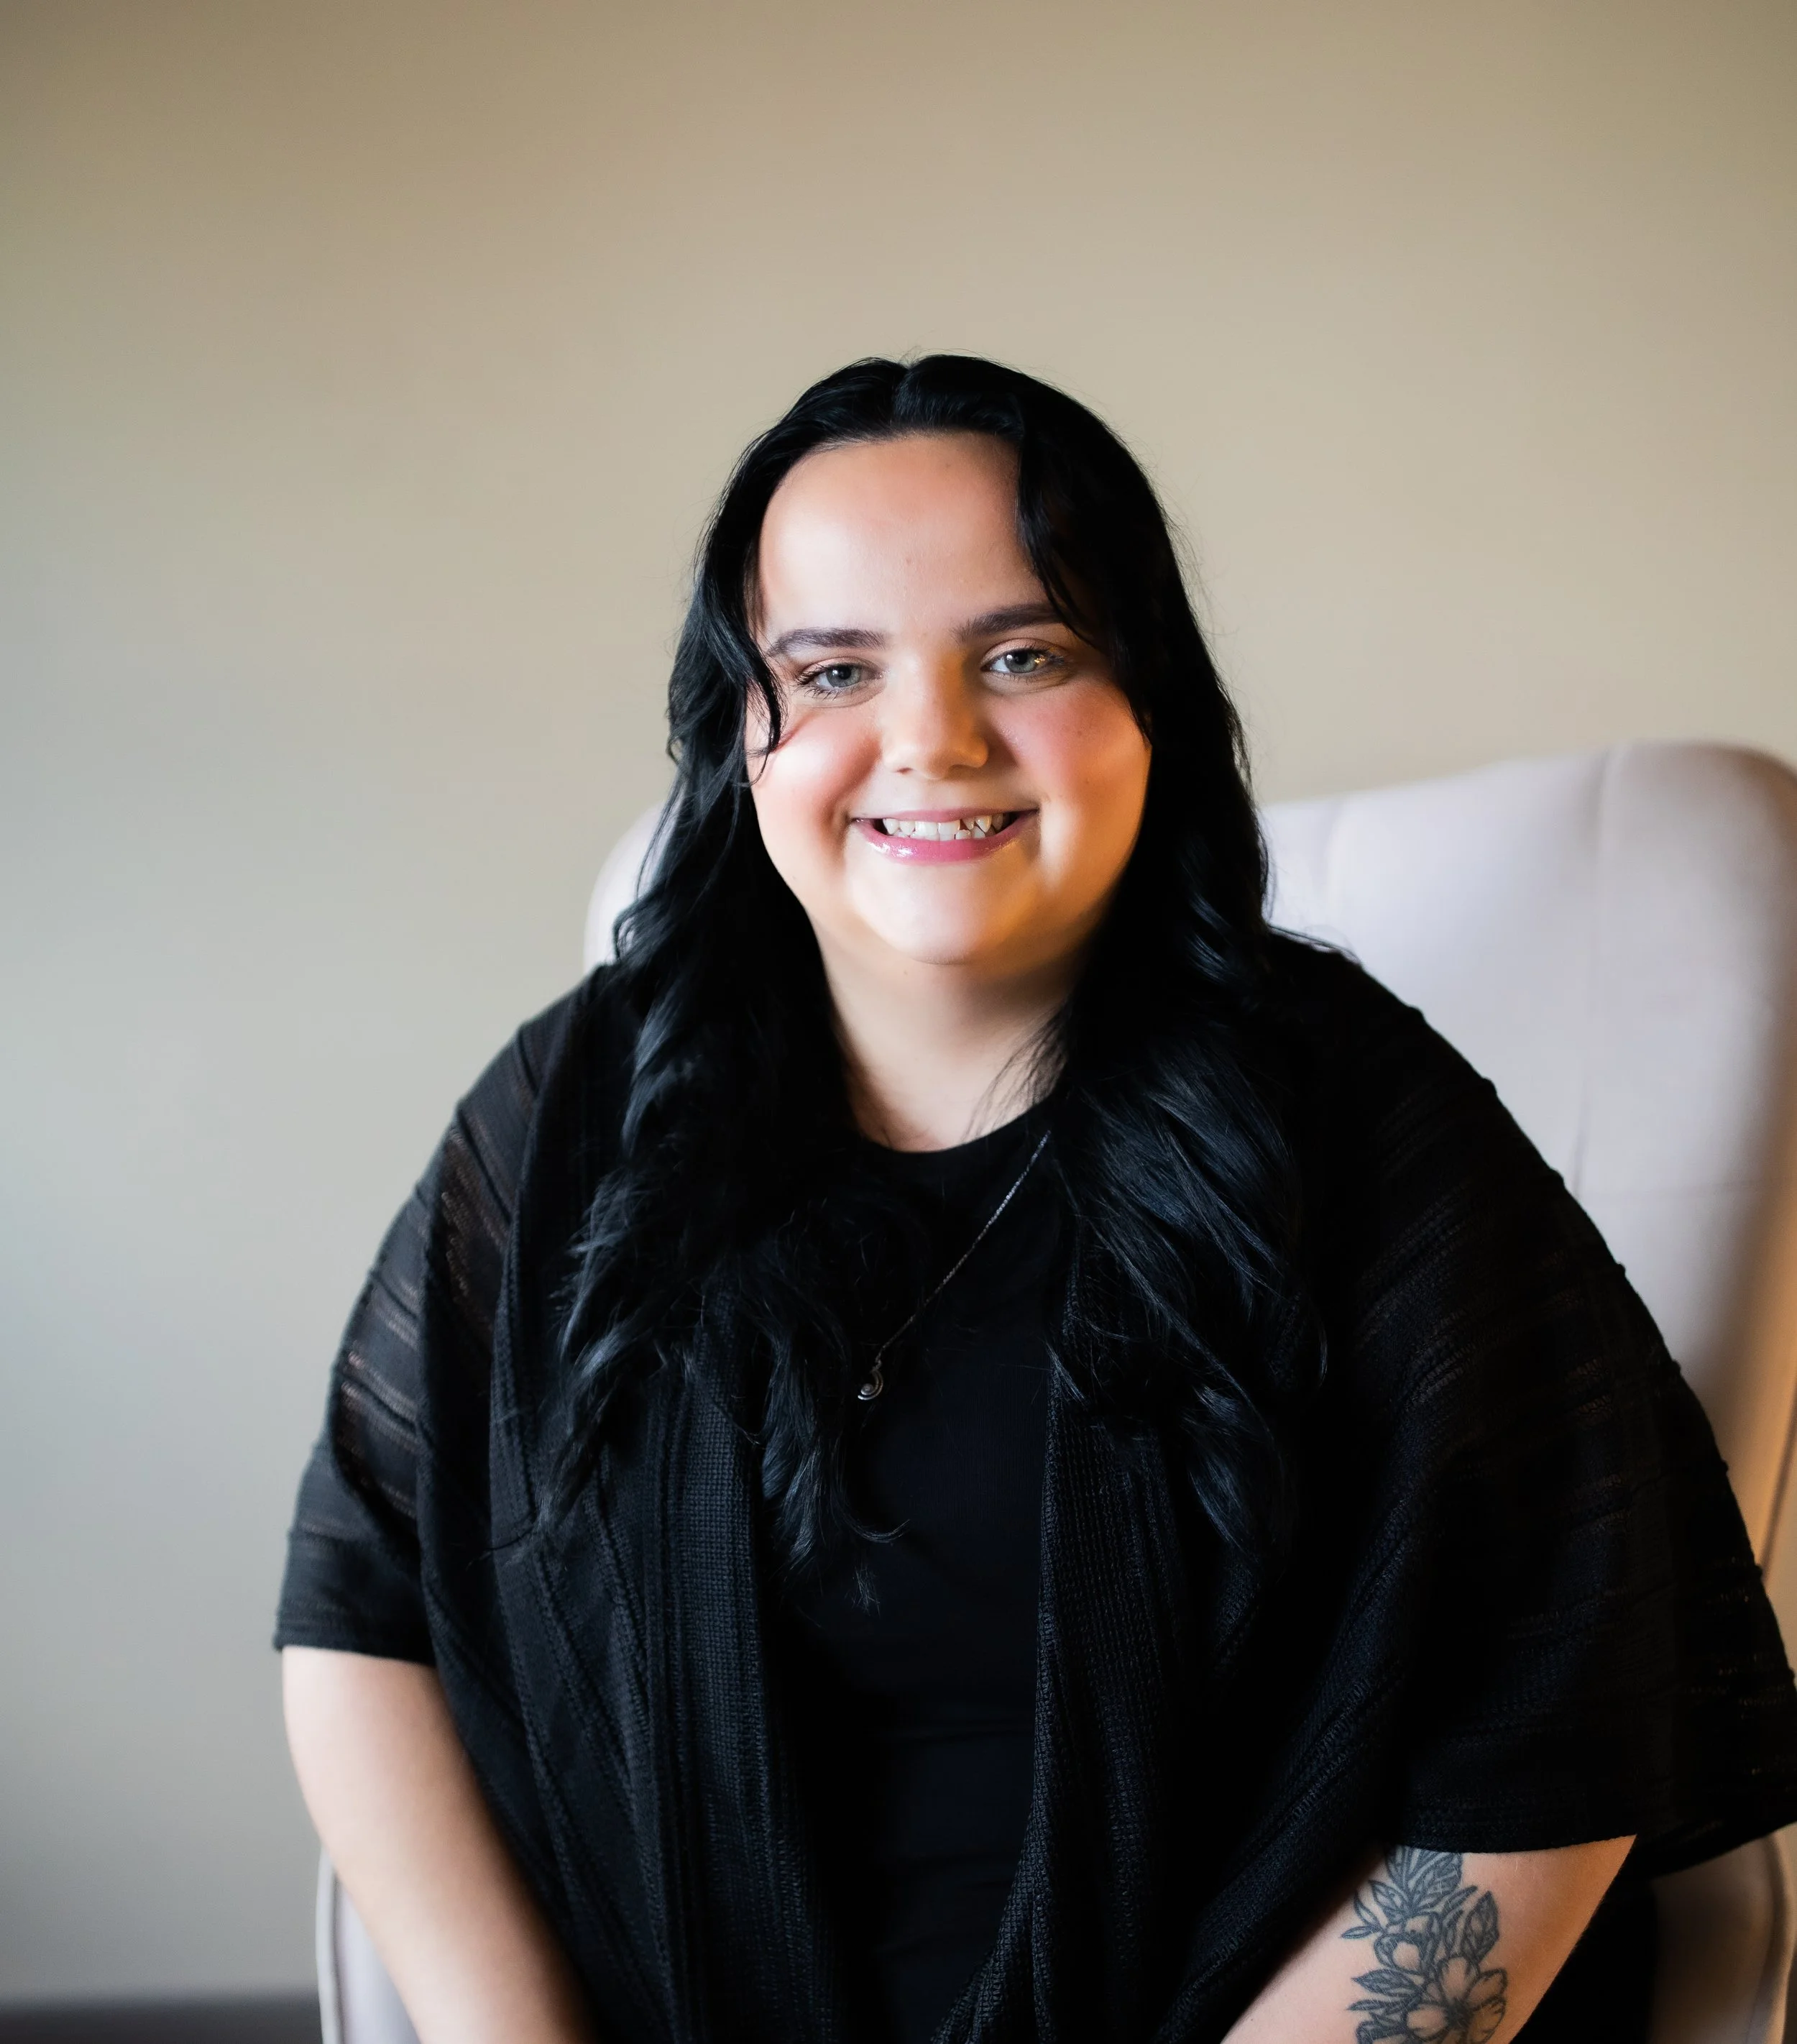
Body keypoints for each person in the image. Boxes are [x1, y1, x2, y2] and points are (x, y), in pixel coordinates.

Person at [277, 355, 1797, 2044]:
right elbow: (367, 1599)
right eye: (832, 667)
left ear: (1146, 698)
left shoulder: (1363, 1124)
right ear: (738, 734)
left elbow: (1557, 1722)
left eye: (1022, 651)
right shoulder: (582, 1103)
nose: (929, 738)